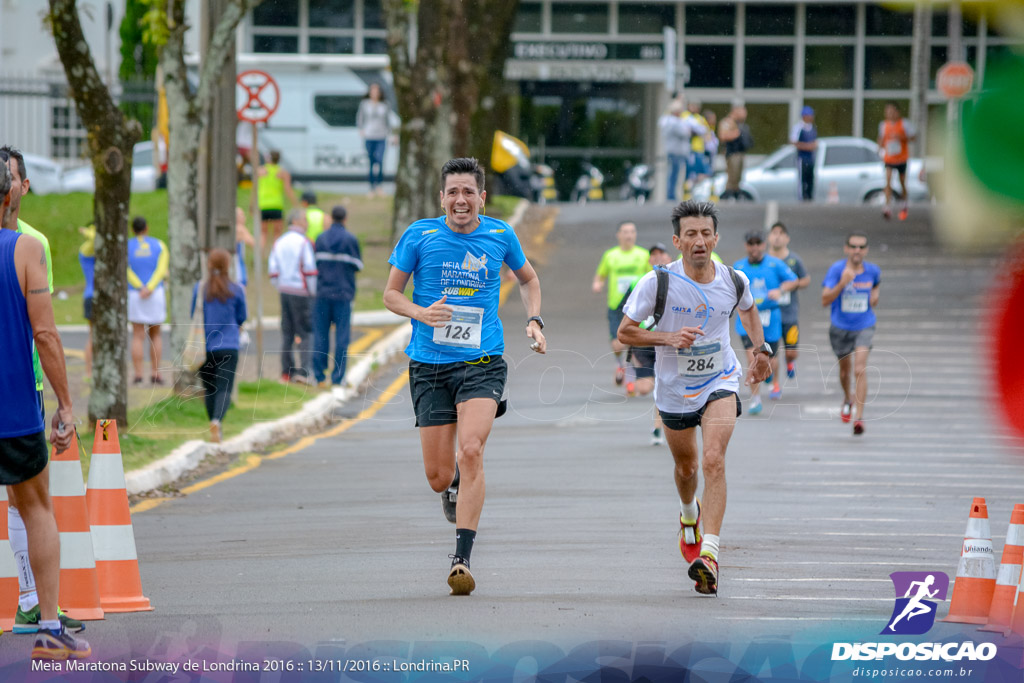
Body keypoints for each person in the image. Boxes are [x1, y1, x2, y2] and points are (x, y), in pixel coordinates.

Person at [383, 157, 546, 596]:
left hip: (482, 361)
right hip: (430, 364)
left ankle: (461, 559)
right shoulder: (420, 235)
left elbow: (529, 280)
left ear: (482, 197)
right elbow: (391, 294)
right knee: (438, 475)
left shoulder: (499, 234)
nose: (460, 199)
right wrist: (420, 312)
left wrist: (535, 321)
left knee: (471, 449)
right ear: (442, 198)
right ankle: (452, 485)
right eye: (452, 192)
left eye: (468, 192)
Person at [618, 200, 770, 596]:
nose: (699, 241)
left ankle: (711, 555)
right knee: (687, 469)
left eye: (706, 233)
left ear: (716, 238)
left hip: (720, 380)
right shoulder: (657, 283)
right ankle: (689, 515)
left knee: (713, 460)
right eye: (691, 234)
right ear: (677, 241)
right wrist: (667, 337)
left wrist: (761, 350)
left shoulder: (733, 280)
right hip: (673, 391)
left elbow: (749, 312)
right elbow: (626, 332)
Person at [0, 158, 91, 659]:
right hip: (13, 407)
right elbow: (46, 334)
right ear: (11, 195)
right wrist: (65, 404)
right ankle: (49, 629)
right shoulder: (27, 249)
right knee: (36, 509)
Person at [733, 230, 798, 414]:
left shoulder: (774, 264)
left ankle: (773, 379)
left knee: (771, 359)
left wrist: (781, 290)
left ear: (763, 245)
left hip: (771, 318)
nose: (754, 247)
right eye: (751, 244)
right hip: (747, 319)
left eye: (758, 243)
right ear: (746, 246)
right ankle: (755, 399)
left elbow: (794, 281)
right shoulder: (739, 266)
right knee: (751, 357)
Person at [822, 232, 880, 436]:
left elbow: (876, 286)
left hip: (864, 325)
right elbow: (824, 300)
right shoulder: (837, 270)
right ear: (847, 249)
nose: (857, 251)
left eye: (861, 247)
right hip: (840, 327)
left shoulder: (873, 271)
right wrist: (842, 283)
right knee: (845, 372)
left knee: (860, 369)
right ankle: (848, 397)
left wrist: (874, 296)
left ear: (866, 250)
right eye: (853, 247)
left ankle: (859, 417)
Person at [191, 249, 247, 443]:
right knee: (224, 388)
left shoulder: (200, 289)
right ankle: (217, 422)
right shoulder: (237, 289)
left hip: (204, 346)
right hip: (229, 346)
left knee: (210, 389)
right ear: (228, 265)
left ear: (209, 265)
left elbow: (194, 314)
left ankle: (213, 424)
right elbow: (242, 317)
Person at [592, 222, 651, 388]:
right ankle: (620, 363)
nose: (629, 235)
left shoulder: (643, 254)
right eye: (625, 232)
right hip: (616, 305)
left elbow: (652, 277)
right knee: (617, 344)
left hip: (637, 305)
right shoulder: (610, 255)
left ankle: (630, 375)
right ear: (618, 235)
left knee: (632, 340)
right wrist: (598, 284)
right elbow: (600, 275)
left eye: (632, 231)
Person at [626, 243, 673, 445]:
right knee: (644, 388)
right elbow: (624, 312)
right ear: (649, 260)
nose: (657, 258)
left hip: (666, 341)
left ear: (669, 258)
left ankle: (657, 429)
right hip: (644, 341)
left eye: (661, 254)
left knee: (662, 385)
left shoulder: (677, 282)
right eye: (653, 255)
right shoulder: (640, 281)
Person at [313, 205, 363, 387]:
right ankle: (338, 377)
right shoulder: (351, 240)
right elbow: (358, 265)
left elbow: (315, 263)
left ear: (331, 218)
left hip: (322, 293)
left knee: (320, 335)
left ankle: (318, 377)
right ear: (345, 218)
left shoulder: (320, 238)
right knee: (342, 337)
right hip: (343, 294)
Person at [269, 209, 317, 383]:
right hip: (301, 292)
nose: (307, 223)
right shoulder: (304, 243)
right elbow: (310, 270)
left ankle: (286, 371)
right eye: (304, 219)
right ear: (296, 221)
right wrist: (312, 293)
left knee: (287, 332)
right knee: (305, 332)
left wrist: (280, 286)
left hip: (284, 291)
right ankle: (305, 371)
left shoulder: (279, 242)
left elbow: (273, 270)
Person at [127, 216, 168, 385]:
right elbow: (161, 269)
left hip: (135, 293)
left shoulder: (126, 245)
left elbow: (125, 269)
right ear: (147, 227)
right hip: (155, 292)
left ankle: (138, 374)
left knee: (137, 335)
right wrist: (150, 287)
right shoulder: (159, 245)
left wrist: (139, 286)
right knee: (156, 334)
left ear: (132, 229)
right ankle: (155, 373)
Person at [767, 222, 810, 379]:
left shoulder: (794, 260)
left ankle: (790, 362)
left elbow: (806, 280)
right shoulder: (763, 261)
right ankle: (775, 384)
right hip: (768, 314)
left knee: (791, 352)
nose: (777, 237)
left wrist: (791, 285)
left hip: (789, 314)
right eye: (774, 233)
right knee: (771, 354)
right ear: (769, 237)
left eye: (781, 234)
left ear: (787, 239)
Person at [877, 102, 917, 221]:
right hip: (889, 158)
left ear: (897, 112)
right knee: (888, 181)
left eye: (891, 111)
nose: (889, 113)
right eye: (887, 111)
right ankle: (887, 207)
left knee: (902, 182)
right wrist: (879, 148)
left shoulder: (904, 124)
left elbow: (914, 137)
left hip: (901, 158)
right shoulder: (884, 125)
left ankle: (904, 203)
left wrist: (902, 138)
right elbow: (881, 138)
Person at [257, 150, 297, 247]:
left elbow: (255, 189)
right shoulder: (282, 173)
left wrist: (252, 205)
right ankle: (276, 256)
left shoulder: (260, 171)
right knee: (277, 234)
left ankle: (259, 258)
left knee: (263, 233)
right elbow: (288, 190)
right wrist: (295, 203)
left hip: (263, 204)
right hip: (276, 205)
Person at [357, 83, 391, 197]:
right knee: (371, 161)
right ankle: (371, 188)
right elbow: (360, 117)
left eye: (377, 91)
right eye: (373, 91)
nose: (374, 93)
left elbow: (388, 121)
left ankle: (379, 186)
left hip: (381, 136)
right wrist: (361, 129)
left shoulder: (385, 105)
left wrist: (391, 134)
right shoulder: (364, 104)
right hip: (369, 135)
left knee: (380, 160)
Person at [659, 99, 692, 202]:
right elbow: (685, 133)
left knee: (674, 173)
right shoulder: (674, 122)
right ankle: (671, 195)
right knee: (674, 174)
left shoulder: (668, 120)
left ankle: (672, 194)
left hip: (675, 151)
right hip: (676, 151)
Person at [719, 106, 753, 201]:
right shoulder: (728, 122)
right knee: (732, 177)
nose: (744, 115)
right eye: (742, 112)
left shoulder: (740, 124)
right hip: (732, 153)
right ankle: (728, 195)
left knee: (738, 177)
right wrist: (738, 133)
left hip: (739, 152)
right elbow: (723, 136)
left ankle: (735, 195)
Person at [78, 225, 96, 382]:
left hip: (96, 297)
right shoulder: (86, 250)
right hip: (92, 296)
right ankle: (89, 372)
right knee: (93, 336)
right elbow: (95, 238)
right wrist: (88, 232)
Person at [790, 105, 818, 202]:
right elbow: (793, 142)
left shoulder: (812, 128)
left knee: (811, 179)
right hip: (802, 158)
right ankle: (802, 198)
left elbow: (815, 142)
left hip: (811, 158)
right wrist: (807, 146)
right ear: (805, 116)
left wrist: (813, 145)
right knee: (802, 179)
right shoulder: (798, 127)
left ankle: (810, 197)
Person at [683, 100, 711, 193]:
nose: (694, 108)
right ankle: (686, 193)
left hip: (699, 149)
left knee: (701, 172)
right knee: (689, 173)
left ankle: (698, 192)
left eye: (696, 106)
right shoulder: (685, 115)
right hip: (689, 149)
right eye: (692, 105)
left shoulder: (700, 118)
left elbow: (705, 132)